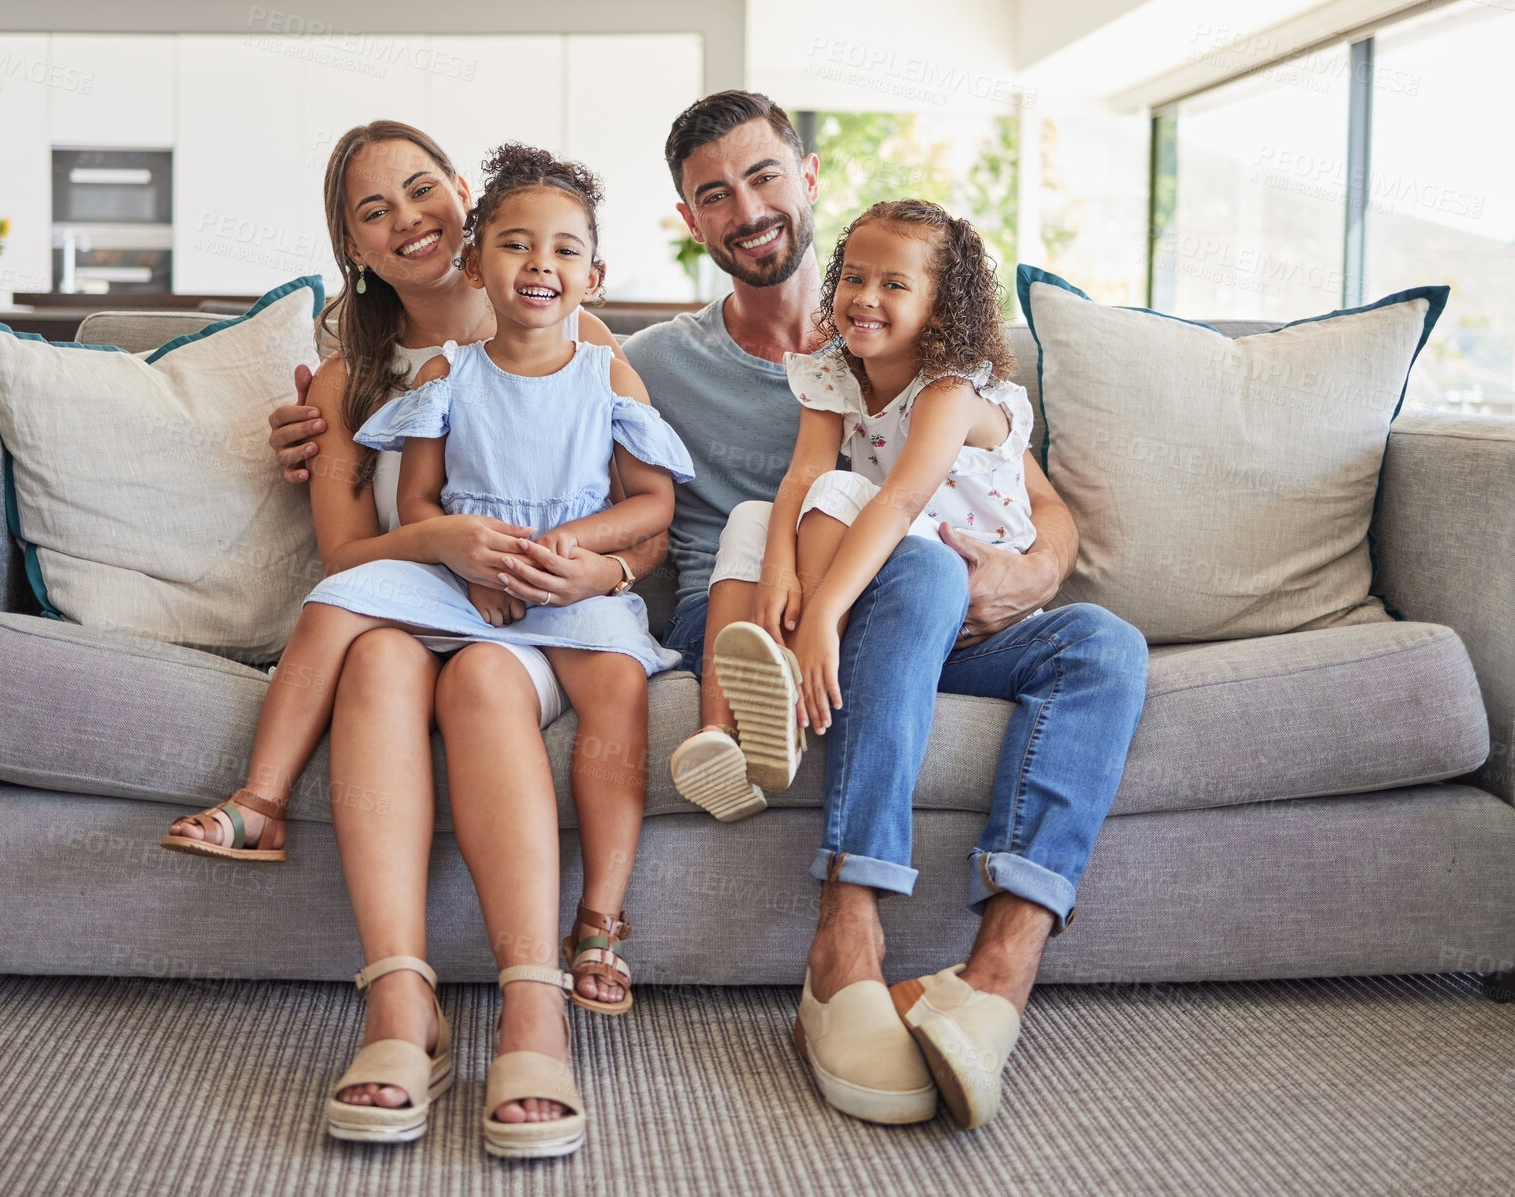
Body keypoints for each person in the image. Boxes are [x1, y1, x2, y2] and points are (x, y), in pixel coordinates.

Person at [625, 92, 1149, 1129]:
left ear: (807, 177)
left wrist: (1033, 574)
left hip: (925, 606)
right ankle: (845, 935)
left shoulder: (942, 353)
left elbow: (1030, 507)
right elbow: (520, 351)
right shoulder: (652, 364)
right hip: (756, 613)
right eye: (713, 195)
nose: (746, 206)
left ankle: (996, 972)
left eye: (762, 174)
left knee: (1102, 642)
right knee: (910, 569)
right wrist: (339, 408)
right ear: (691, 221)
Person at [200, 120, 669, 1156]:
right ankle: (399, 1007)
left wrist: (601, 566)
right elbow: (350, 558)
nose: (406, 218)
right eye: (374, 212)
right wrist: (448, 543)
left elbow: (642, 510)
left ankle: (533, 1003)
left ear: (462, 201)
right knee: (370, 655)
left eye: (420, 191)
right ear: (354, 251)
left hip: (528, 627)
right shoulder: (347, 383)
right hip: (410, 609)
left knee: (491, 683)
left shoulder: (576, 342)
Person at [697, 197, 1038, 817]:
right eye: (853, 276)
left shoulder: (951, 389)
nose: (865, 295)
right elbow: (802, 473)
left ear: (940, 308)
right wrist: (777, 570)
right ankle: (718, 732)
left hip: (955, 572)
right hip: (890, 548)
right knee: (752, 515)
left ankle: (795, 676)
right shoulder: (835, 369)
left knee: (844, 492)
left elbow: (901, 500)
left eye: (894, 284)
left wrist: (822, 613)